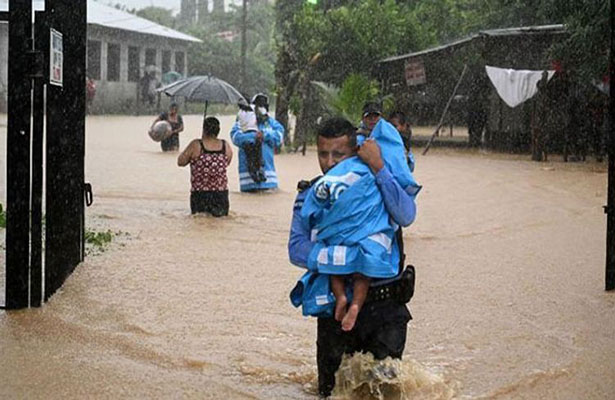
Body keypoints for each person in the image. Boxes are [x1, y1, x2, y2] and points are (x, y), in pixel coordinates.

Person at [288, 117, 421, 397]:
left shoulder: (377, 184)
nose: (330, 163)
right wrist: (349, 258)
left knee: (386, 391)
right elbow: (297, 248)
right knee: (331, 392)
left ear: (355, 152)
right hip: (334, 312)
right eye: (323, 154)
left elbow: (405, 215)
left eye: (338, 154)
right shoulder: (312, 194)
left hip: (385, 309)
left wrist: (379, 167)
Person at [177, 117, 232, 216]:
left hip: (200, 195)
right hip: (221, 195)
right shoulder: (225, 145)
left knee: (200, 223)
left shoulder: (196, 145)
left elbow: (180, 161)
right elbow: (227, 162)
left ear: (204, 129)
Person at [230, 93, 284, 192]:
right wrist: (254, 136)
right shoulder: (242, 122)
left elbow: (279, 138)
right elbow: (235, 137)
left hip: (269, 181)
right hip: (248, 182)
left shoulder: (271, 123)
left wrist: (264, 135)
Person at [236, 98, 266, 183]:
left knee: (250, 159)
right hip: (255, 135)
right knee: (258, 156)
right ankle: (260, 171)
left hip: (245, 137)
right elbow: (263, 117)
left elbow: (239, 126)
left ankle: (253, 175)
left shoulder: (239, 113)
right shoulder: (254, 108)